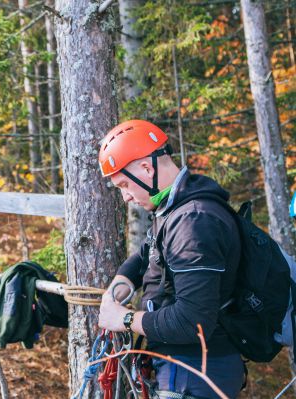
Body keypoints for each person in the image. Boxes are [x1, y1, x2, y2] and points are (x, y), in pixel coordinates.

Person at [97, 120, 245, 399]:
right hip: (188, 370)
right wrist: (121, 283)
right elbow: (146, 254)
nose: (125, 196)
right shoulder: (176, 207)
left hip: (196, 374)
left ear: (146, 168)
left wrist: (124, 318)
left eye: (124, 184)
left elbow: (193, 323)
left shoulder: (193, 221)